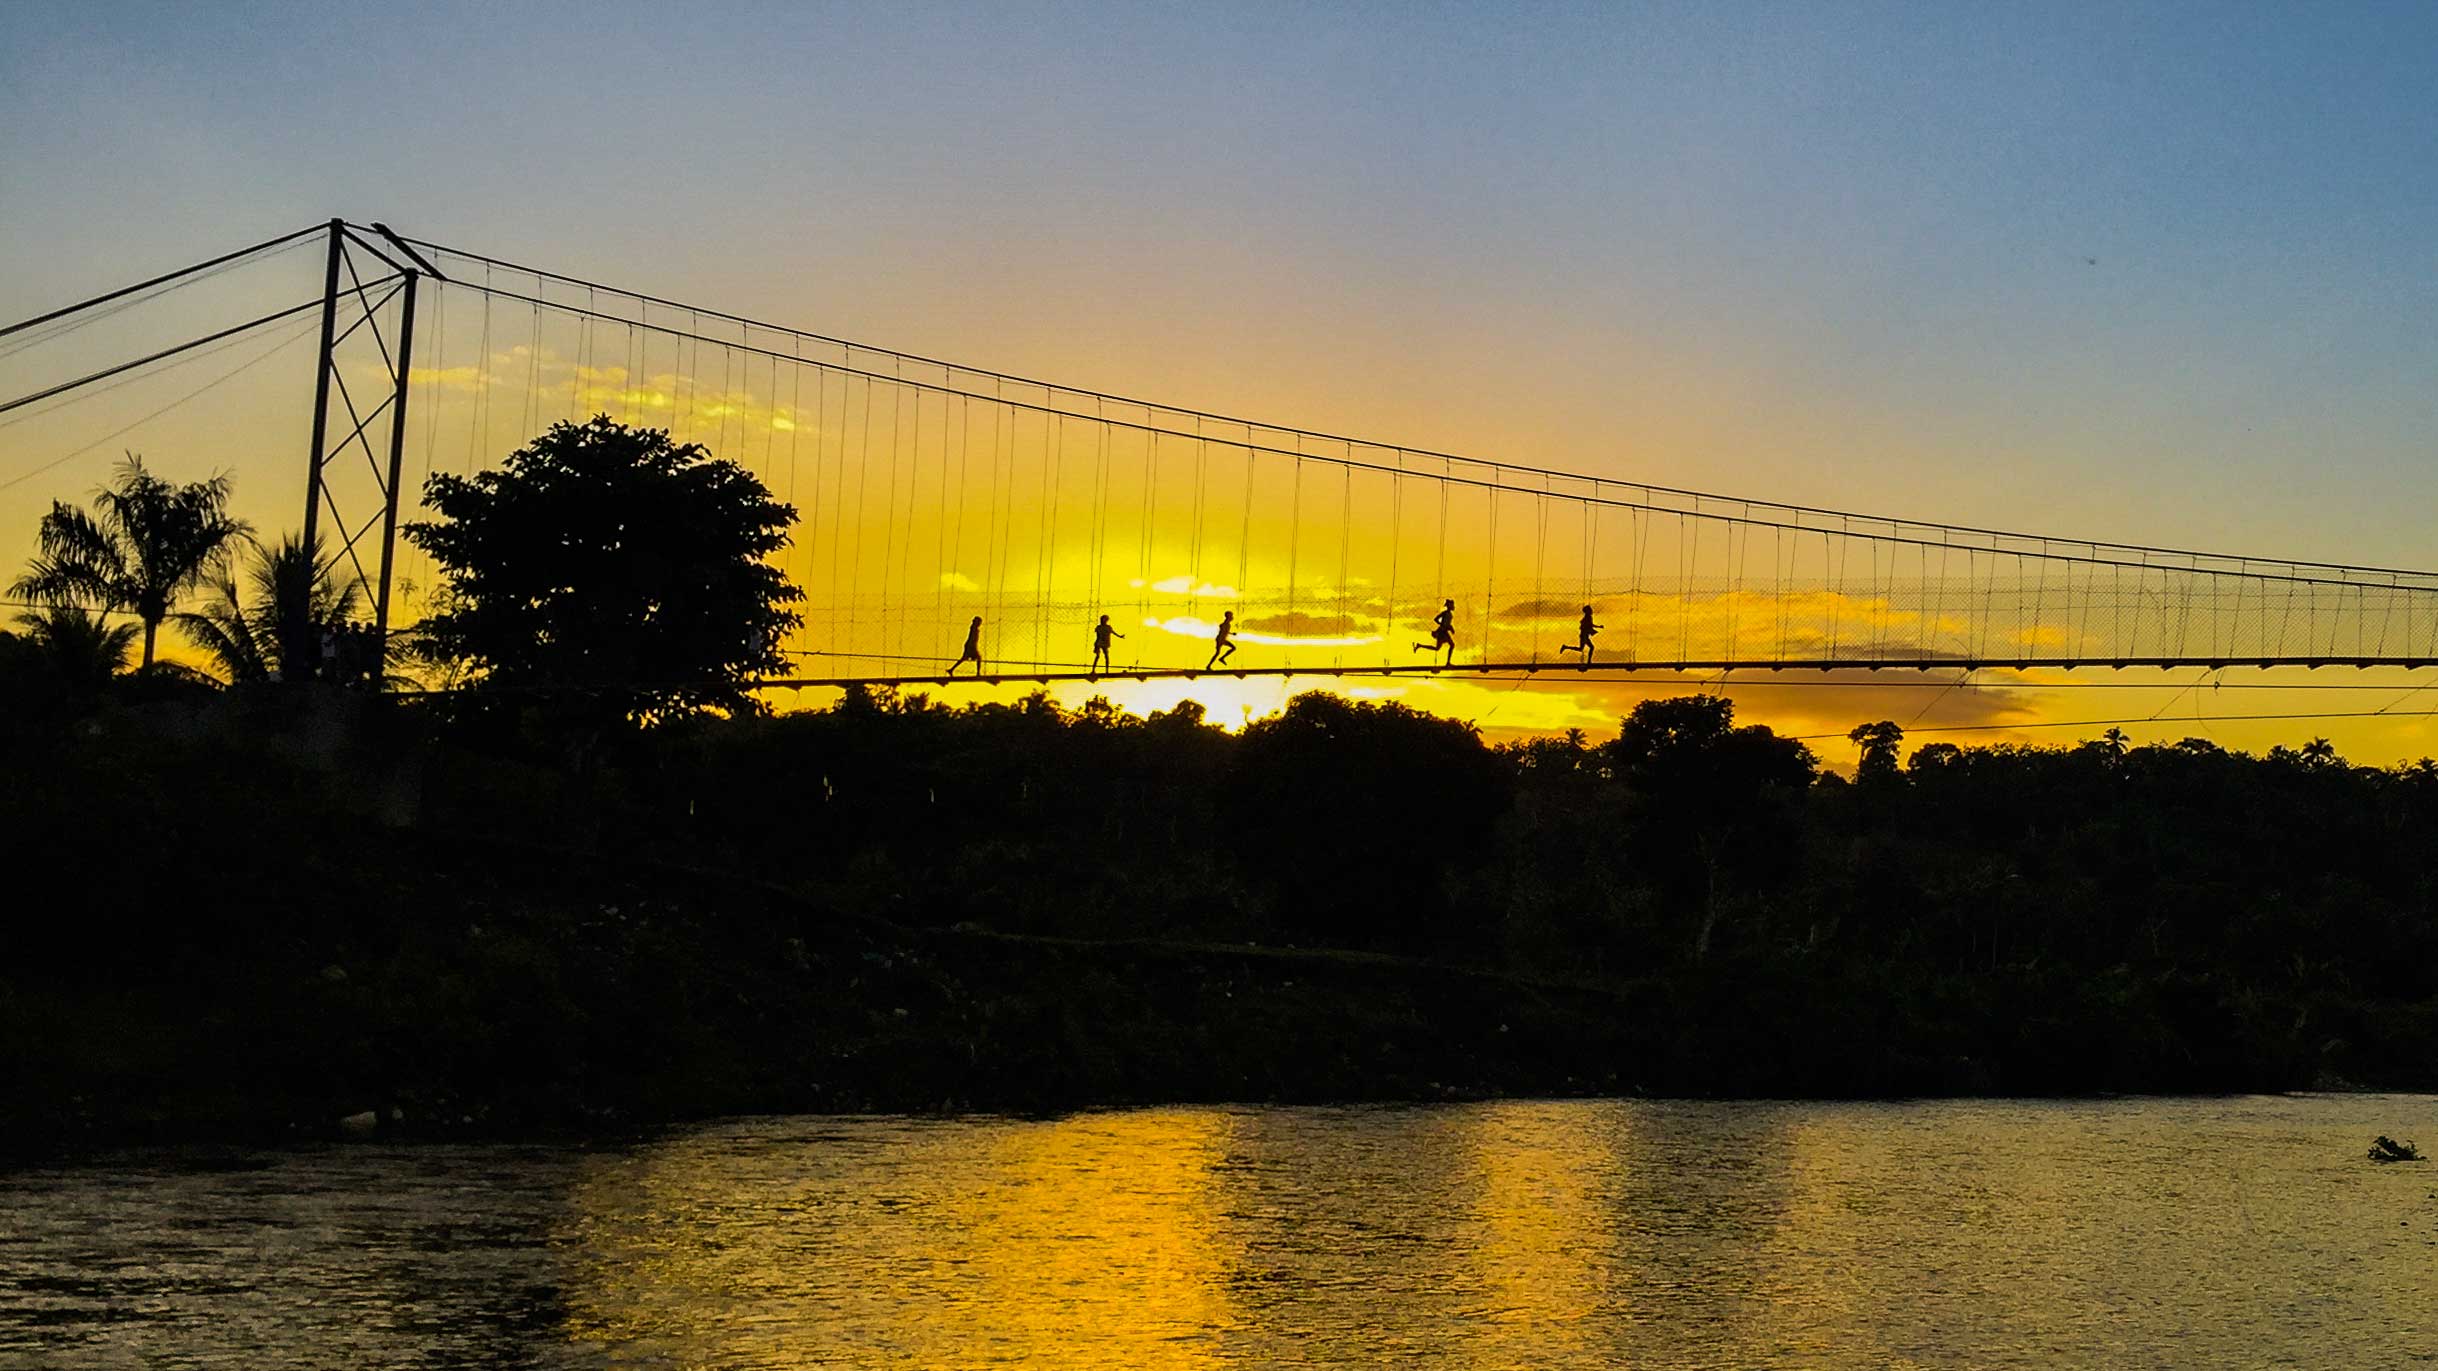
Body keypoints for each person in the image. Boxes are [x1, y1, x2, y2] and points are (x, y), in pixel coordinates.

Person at [1411, 598, 1456, 665]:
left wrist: (1449, 627)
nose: (1453, 606)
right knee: (1451, 645)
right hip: (1442, 632)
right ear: (1449, 606)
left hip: (1443, 632)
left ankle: (1420, 645)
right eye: (1452, 605)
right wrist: (1444, 625)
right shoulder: (1446, 613)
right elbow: (1437, 619)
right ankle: (1448, 663)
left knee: (1439, 648)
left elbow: (1445, 623)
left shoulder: (1449, 614)